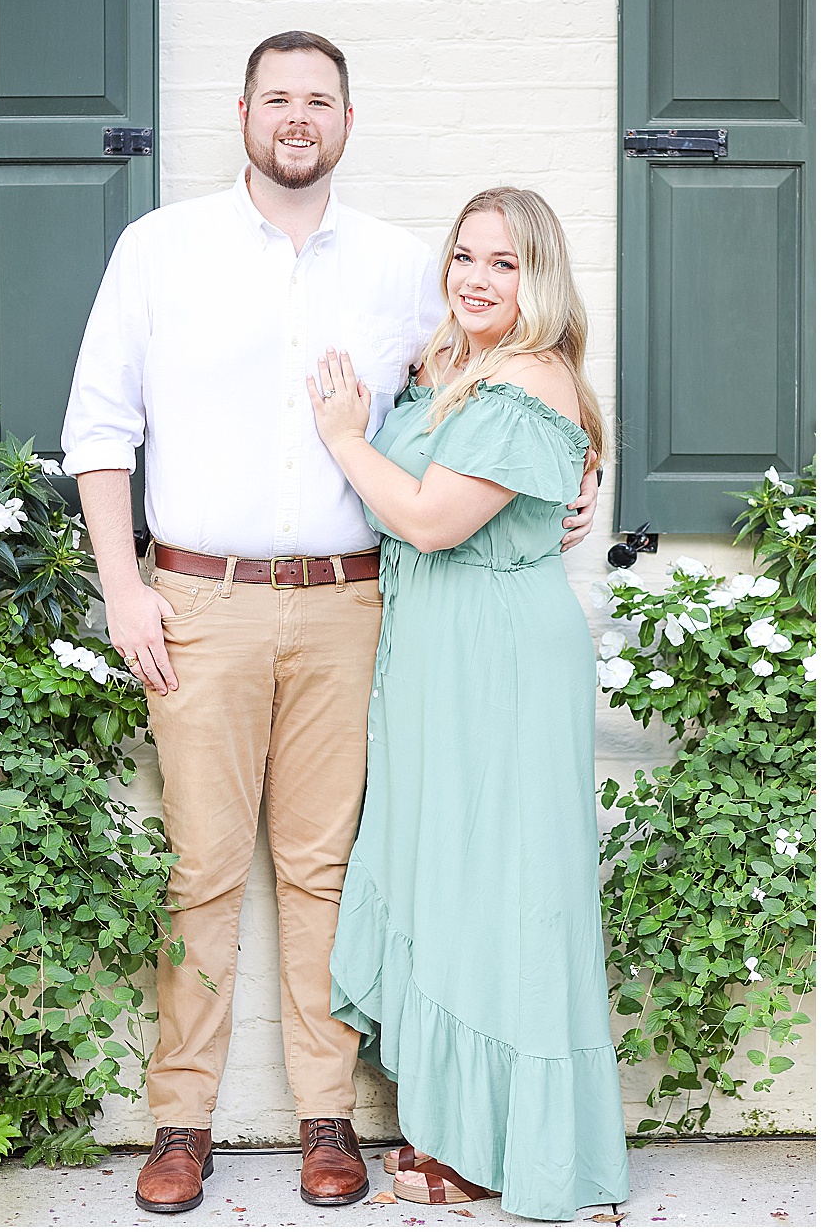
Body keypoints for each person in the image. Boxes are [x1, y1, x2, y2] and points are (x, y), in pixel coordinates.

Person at [61, 32, 600, 1216]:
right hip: (197, 600)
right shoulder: (161, 250)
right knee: (201, 871)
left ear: (347, 120)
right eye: (278, 98)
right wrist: (122, 585)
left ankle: (327, 1118)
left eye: (320, 99)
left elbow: (487, 395)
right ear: (242, 110)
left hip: (354, 602)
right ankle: (182, 1123)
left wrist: (566, 485)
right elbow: (100, 431)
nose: (297, 117)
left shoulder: (405, 268)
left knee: (324, 873)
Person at [309, 186, 629, 1223]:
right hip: (439, 652)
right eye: (466, 257)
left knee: (507, 885)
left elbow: (432, 520)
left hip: (499, 653)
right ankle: (452, 1121)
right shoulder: (458, 368)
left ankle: (503, 1138)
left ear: (542, 281)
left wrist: (345, 435)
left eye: (506, 263)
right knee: (449, 874)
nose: (478, 279)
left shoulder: (533, 378)